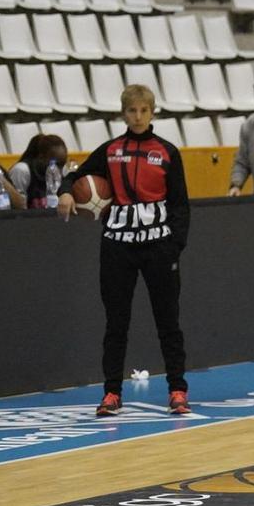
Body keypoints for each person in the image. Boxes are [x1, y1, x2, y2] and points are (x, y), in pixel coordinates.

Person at [57, 85, 192, 418]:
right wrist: (65, 192)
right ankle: (112, 393)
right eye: (132, 110)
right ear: (123, 113)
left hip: (159, 246)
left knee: (168, 321)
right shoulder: (110, 150)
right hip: (117, 246)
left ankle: (177, 389)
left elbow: (180, 205)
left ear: (153, 112)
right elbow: (76, 175)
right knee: (116, 323)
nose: (138, 116)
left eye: (144, 110)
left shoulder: (167, 152)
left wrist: (174, 247)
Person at [10, 134, 69, 209]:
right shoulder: (21, 171)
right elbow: (18, 207)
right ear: (41, 157)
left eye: (63, 165)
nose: (60, 171)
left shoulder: (64, 171)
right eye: (56, 165)